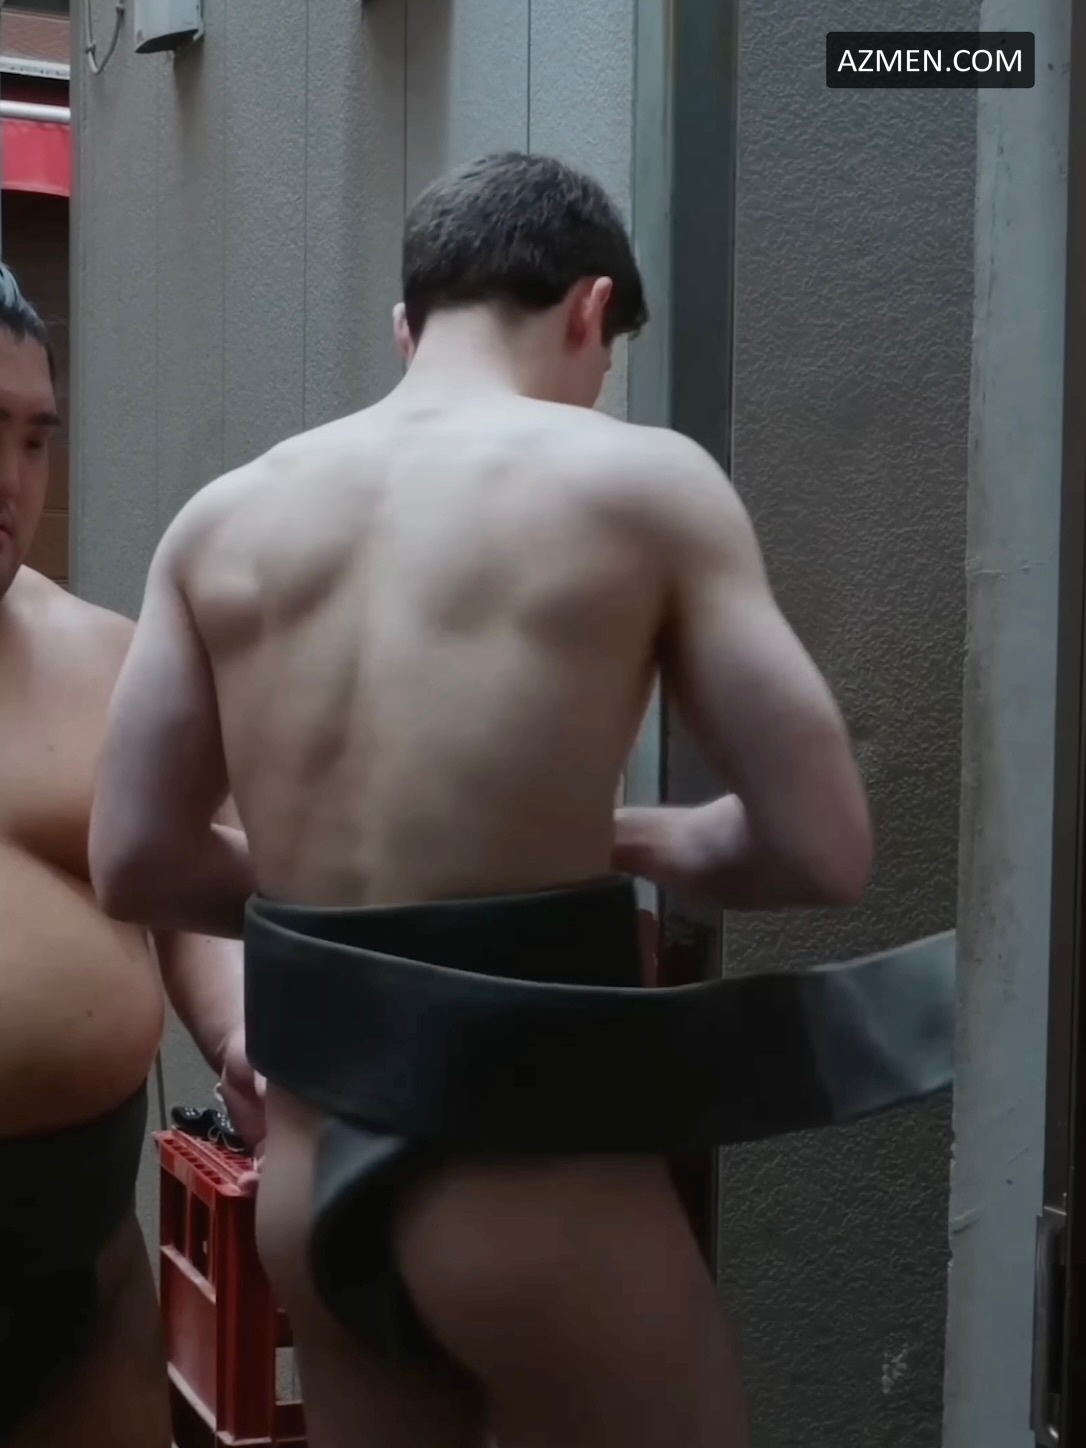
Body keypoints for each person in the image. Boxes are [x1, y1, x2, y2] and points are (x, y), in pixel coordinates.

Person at [89, 153, 873, 1448]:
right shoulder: (641, 482)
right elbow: (819, 841)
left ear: (408, 328)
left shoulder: (218, 523)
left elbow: (136, 859)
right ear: (590, 312)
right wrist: (611, 841)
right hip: (538, 1175)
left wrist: (342, 902)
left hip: (315, 1182)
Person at [0, 264, 264, 1448]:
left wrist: (239, 1031)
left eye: (36, 438)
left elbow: (186, 896)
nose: (13, 480)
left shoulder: (108, 663)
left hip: (81, 1293)